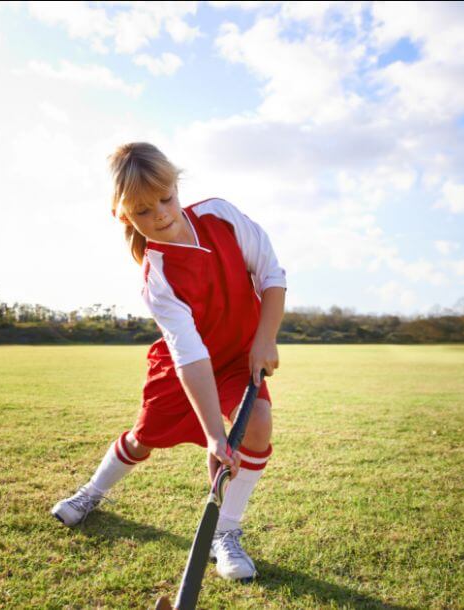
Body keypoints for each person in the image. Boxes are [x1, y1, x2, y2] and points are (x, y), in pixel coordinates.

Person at [50, 142, 286, 582]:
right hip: (183, 368)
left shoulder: (220, 215)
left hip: (238, 355)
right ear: (123, 216)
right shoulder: (156, 277)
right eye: (142, 211)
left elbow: (272, 274)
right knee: (143, 439)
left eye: (165, 198)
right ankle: (92, 493)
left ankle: (225, 532)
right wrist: (215, 435)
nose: (159, 213)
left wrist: (264, 340)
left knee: (258, 424)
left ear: (177, 186)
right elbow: (189, 352)